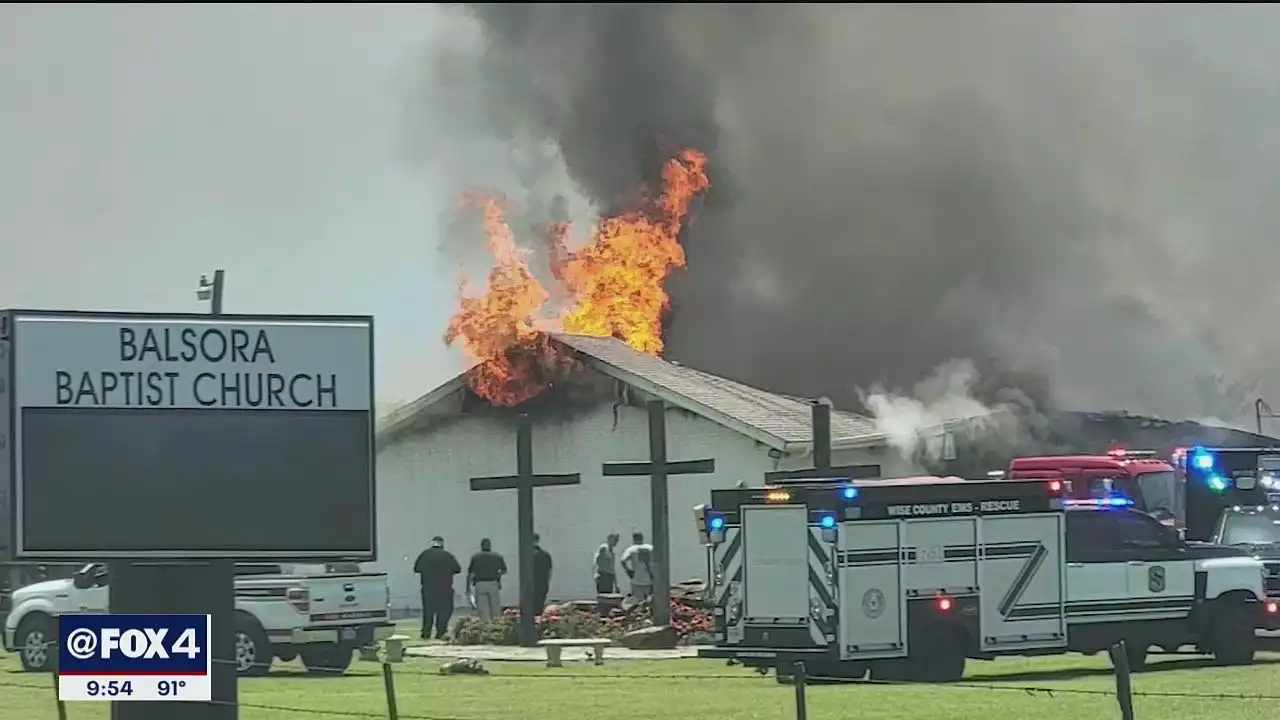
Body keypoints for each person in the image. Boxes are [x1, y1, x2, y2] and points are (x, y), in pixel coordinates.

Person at [413, 536, 461, 640]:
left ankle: (426, 632)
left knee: (428, 611)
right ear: (442, 544)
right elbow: (457, 569)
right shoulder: (447, 556)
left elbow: (416, 568)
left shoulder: (425, 555)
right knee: (444, 610)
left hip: (428, 587)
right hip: (444, 588)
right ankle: (441, 631)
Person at [467, 538, 507, 622]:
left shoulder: (476, 557)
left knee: (482, 608)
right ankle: (496, 626)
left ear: (481, 546)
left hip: (480, 583)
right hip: (493, 583)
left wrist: (468, 587)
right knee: (495, 608)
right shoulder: (497, 556)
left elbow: (471, 573)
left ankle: (486, 627)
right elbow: (504, 570)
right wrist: (497, 576)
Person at [619, 531, 655, 600]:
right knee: (651, 602)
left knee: (637, 603)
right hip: (650, 581)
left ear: (633, 539)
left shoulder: (631, 549)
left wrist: (628, 571)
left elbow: (623, 560)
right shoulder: (651, 548)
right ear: (642, 538)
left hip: (637, 581)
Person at [532, 534, 553, 613]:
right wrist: (547, 581)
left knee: (531, 606)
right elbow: (550, 570)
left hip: (531, 584)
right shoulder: (546, 555)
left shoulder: (527, 555)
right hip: (543, 583)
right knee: (540, 604)